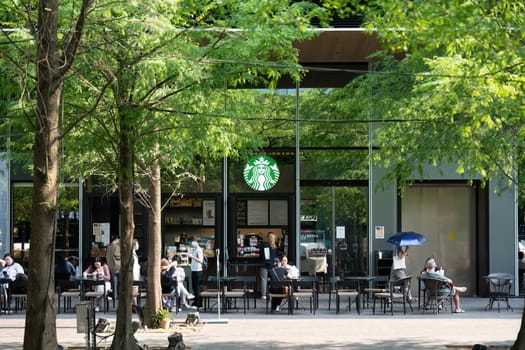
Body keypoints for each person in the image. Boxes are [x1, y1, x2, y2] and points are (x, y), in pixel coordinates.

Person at [259, 232, 280, 300]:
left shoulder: (264, 245)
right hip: (272, 266)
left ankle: (264, 295)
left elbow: (263, 256)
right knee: (273, 279)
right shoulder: (275, 246)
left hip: (264, 265)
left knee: (264, 279)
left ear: (268, 238)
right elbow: (276, 256)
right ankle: (274, 292)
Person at [188, 236, 204, 308]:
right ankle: (196, 302)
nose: (192, 242)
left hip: (198, 270)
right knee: (195, 287)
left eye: (194, 241)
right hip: (194, 270)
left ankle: (198, 303)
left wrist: (192, 257)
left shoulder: (199, 250)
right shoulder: (195, 250)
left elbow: (200, 260)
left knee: (197, 287)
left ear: (197, 242)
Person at [106, 234, 121, 300]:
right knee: (118, 283)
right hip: (117, 266)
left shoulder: (108, 246)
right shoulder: (116, 247)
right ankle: (117, 295)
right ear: (117, 239)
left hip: (110, 265)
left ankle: (114, 295)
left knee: (113, 282)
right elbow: (117, 256)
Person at [132, 238, 141, 306]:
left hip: (136, 274)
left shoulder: (134, 254)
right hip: (134, 275)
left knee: (135, 290)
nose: (138, 245)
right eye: (137, 244)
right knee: (134, 290)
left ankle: (134, 305)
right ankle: (135, 305)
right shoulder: (132, 254)